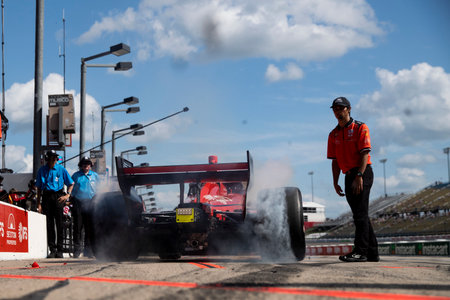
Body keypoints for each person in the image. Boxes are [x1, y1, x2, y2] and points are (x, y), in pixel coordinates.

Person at [327, 97, 379, 262]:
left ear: (348, 109)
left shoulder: (360, 127)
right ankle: (372, 252)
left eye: (340, 108)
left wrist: (359, 176)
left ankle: (360, 251)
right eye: (335, 109)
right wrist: (335, 182)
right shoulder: (333, 134)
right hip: (348, 175)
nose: (337, 111)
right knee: (359, 214)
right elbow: (334, 161)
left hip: (362, 173)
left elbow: (365, 154)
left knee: (360, 214)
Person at [36, 150, 74, 258]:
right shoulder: (42, 170)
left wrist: (67, 195)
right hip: (47, 196)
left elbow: (71, 183)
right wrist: (39, 204)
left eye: (55, 158)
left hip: (59, 197)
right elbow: (39, 188)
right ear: (47, 159)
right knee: (49, 224)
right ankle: (52, 249)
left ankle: (60, 250)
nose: (53, 160)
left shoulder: (61, 169)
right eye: (51, 158)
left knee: (60, 223)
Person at [71, 156, 99, 258]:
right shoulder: (76, 176)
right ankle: (77, 250)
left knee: (90, 227)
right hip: (78, 203)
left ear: (90, 165)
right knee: (78, 227)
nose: (86, 165)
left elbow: (99, 189)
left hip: (91, 203)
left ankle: (88, 250)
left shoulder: (95, 176)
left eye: (87, 164)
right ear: (81, 165)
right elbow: (71, 189)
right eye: (84, 164)